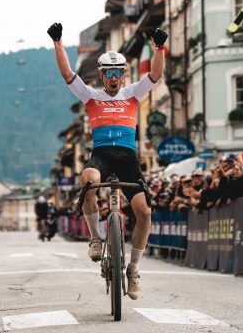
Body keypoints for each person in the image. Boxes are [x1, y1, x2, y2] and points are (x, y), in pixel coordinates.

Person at [48, 22, 166, 300]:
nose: (113, 78)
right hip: (101, 155)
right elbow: (67, 74)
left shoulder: (133, 94)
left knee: (144, 212)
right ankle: (95, 239)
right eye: (108, 73)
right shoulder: (91, 96)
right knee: (88, 181)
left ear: (124, 76)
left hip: (127, 157)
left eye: (118, 73)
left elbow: (156, 73)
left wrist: (159, 47)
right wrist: (58, 42)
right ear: (102, 76)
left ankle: (133, 270)